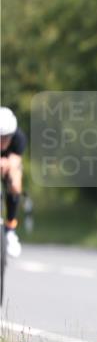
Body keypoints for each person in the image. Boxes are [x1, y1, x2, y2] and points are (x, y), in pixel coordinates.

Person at [0, 107, 26, 258]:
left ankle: (10, 229)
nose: (3, 141)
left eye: (6, 137)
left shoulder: (19, 138)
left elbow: (15, 161)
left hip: (8, 165)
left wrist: (7, 164)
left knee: (15, 183)